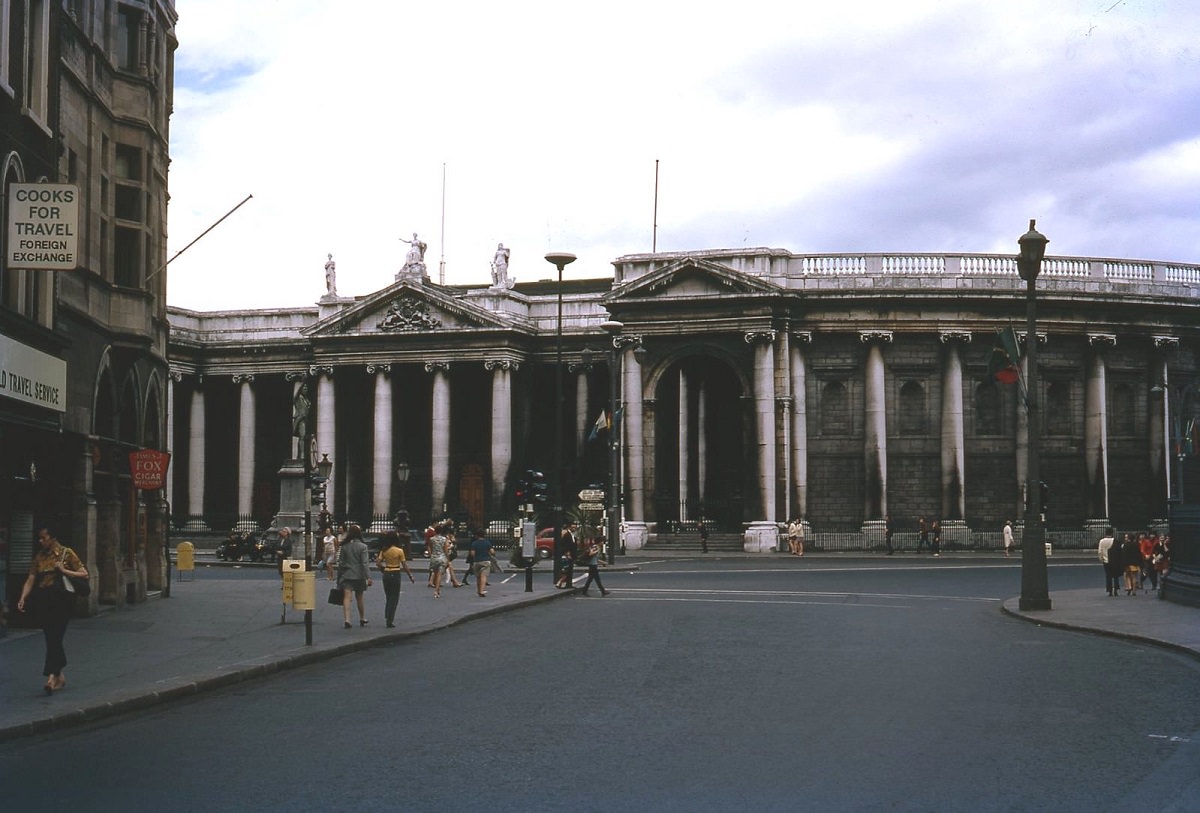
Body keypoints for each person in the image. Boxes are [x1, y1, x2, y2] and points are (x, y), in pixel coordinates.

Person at [16, 528, 88, 694]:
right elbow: (31, 578)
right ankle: (59, 675)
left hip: (62, 601)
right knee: (51, 637)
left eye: (43, 538)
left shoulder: (66, 553)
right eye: (39, 538)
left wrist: (64, 570)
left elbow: (84, 574)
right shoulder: (39, 556)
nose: (40, 541)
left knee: (56, 636)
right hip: (44, 600)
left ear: (52, 538)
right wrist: (22, 598)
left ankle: (50, 677)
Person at [375, 531, 415, 628]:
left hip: (387, 572)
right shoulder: (399, 551)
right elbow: (404, 565)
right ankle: (390, 619)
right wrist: (410, 576)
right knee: (394, 597)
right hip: (395, 572)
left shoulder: (384, 550)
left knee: (388, 596)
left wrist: (383, 569)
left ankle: (387, 614)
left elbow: (378, 562)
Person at [337, 524, 373, 627]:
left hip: (347, 574)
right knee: (359, 597)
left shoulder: (345, 546)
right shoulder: (363, 546)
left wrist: (339, 576)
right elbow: (364, 563)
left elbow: (341, 563)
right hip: (359, 575)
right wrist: (368, 577)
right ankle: (362, 617)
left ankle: (347, 619)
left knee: (347, 597)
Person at [579, 530, 609, 597]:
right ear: (599, 542)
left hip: (594, 564)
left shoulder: (597, 547)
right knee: (595, 579)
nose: (602, 543)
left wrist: (602, 562)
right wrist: (596, 551)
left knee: (591, 579)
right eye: (602, 541)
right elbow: (590, 554)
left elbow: (596, 558)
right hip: (592, 565)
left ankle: (586, 591)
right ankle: (602, 591)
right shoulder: (595, 547)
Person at [468, 529, 495, 597]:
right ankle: (482, 591)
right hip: (486, 561)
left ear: (477, 535)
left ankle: (478, 590)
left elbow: (472, 554)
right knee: (483, 576)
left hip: (477, 561)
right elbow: (492, 552)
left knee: (478, 577)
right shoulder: (487, 543)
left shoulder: (474, 543)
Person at [1097, 527, 1117, 596]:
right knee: (1115, 575)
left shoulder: (1102, 541)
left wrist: (1101, 559)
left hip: (1106, 560)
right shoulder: (1115, 540)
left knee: (1108, 575)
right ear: (1112, 533)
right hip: (1114, 560)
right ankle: (1116, 589)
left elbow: (1100, 552)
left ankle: (1110, 590)